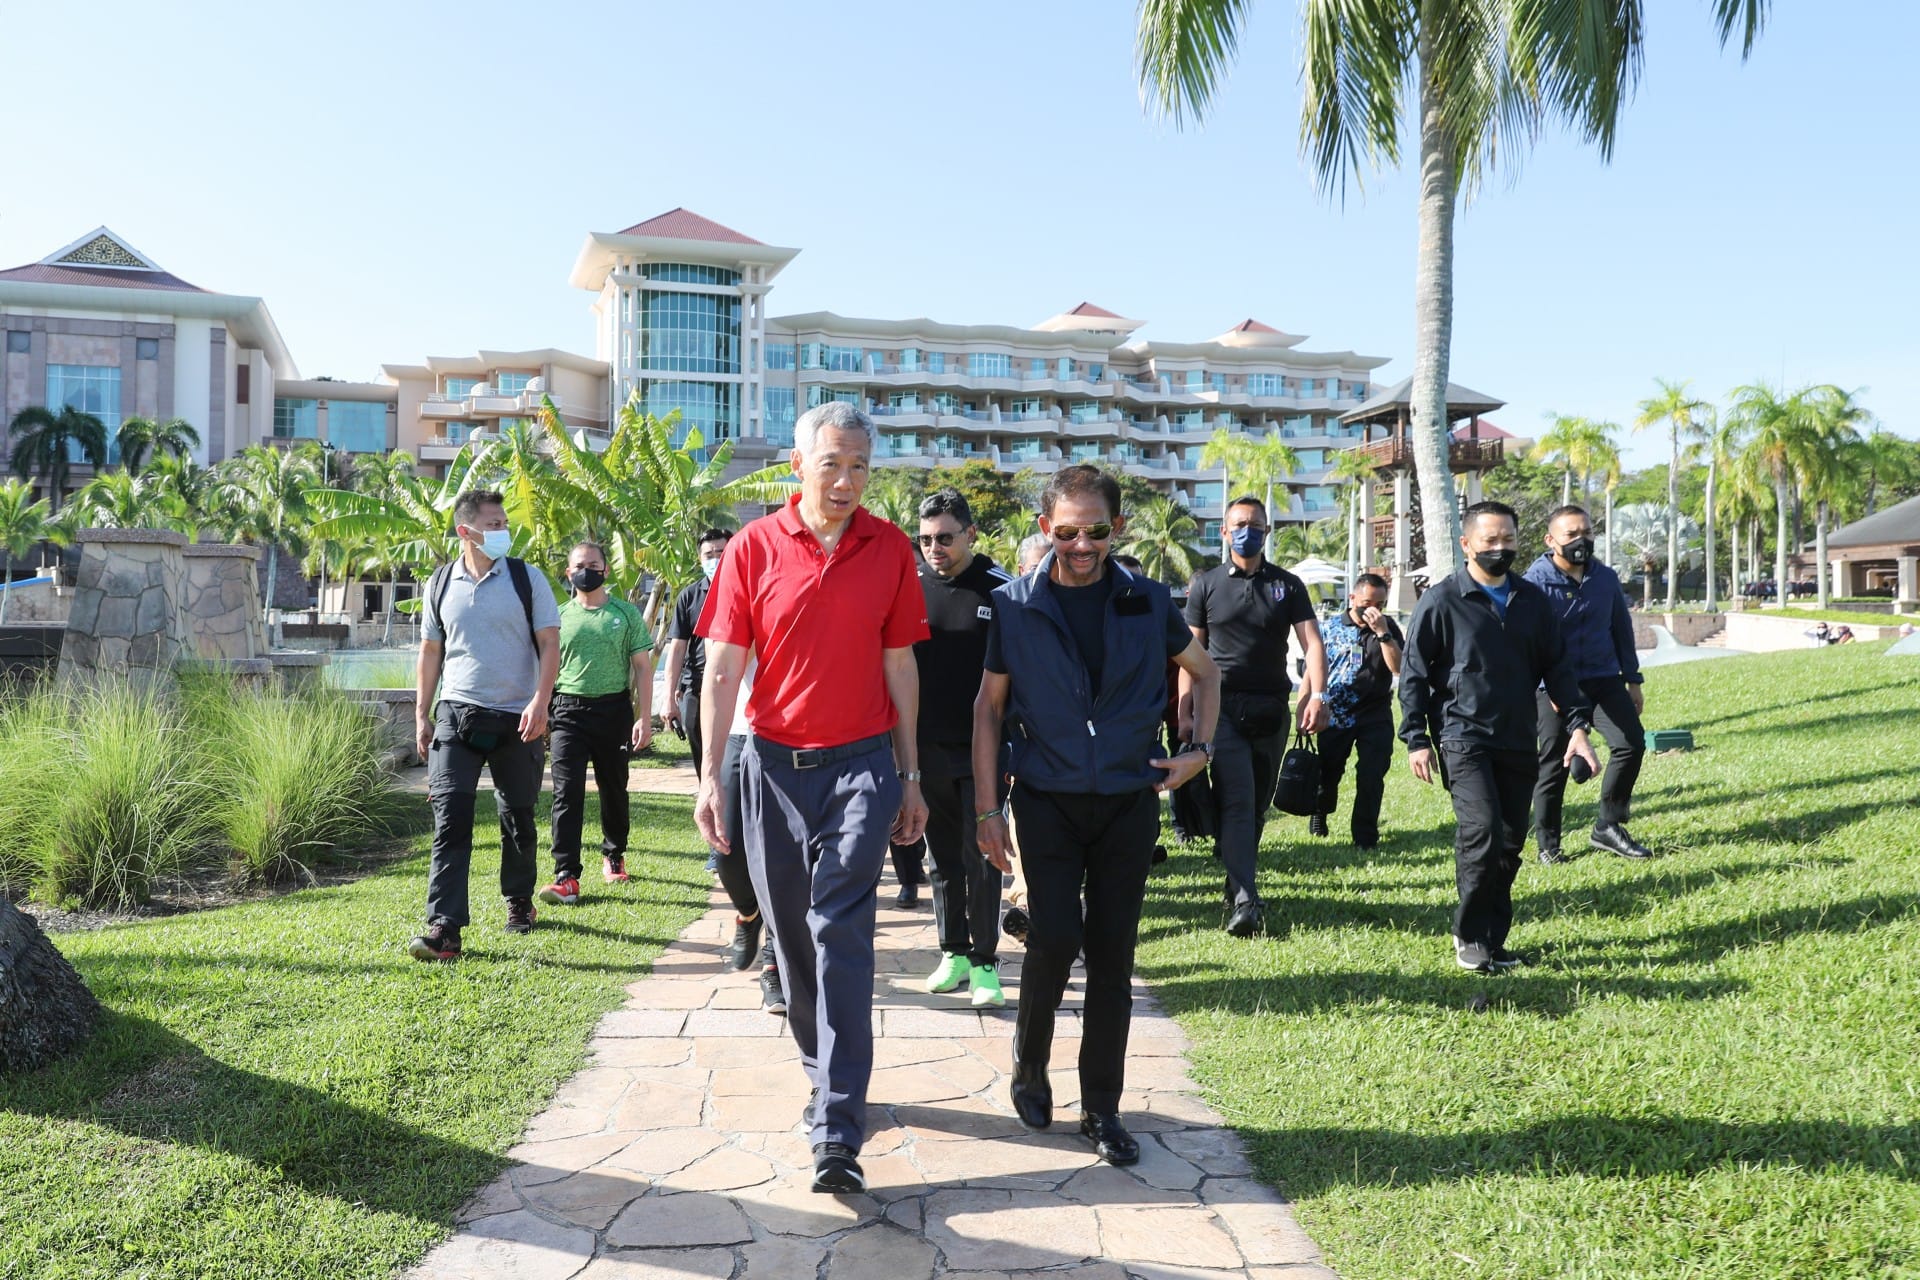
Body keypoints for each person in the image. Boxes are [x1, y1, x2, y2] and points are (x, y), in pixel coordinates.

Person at [694, 401, 929, 1195]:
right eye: (832, 464)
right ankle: (821, 1068)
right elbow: (723, 668)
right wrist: (709, 776)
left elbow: (901, 666)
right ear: (798, 466)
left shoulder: (889, 547)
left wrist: (910, 776)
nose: (846, 480)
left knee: (841, 929)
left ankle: (837, 1123)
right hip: (770, 767)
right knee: (792, 937)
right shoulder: (754, 546)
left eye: (860, 466)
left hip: (862, 765)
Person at [974, 465, 1221, 1167]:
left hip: (1127, 801)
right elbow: (988, 709)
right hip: (1046, 799)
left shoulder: (1149, 600)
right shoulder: (1014, 604)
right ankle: (1029, 1063)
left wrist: (1198, 752)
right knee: (1053, 937)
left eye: (1096, 530)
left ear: (1118, 528)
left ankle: (1101, 1108)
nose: (1081, 544)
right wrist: (988, 808)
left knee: (1113, 956)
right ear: (1045, 528)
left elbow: (1205, 673)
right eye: (1066, 531)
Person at [1400, 501, 1599, 974]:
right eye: (1490, 540)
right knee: (1482, 831)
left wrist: (1578, 727)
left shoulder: (1533, 602)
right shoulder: (1442, 601)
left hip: (1517, 736)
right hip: (1462, 736)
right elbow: (1414, 674)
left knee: (1509, 843)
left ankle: (1492, 938)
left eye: (1508, 539)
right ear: (1467, 544)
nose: (1500, 548)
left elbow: (1558, 669)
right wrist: (1416, 738)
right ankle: (1469, 934)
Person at [409, 490, 561, 962]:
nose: (504, 531)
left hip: (518, 717)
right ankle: (445, 927)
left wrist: (541, 701)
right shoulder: (440, 583)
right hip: (456, 714)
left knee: (517, 815)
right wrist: (421, 711)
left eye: (504, 523)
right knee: (450, 817)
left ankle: (519, 900)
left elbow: (549, 643)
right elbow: (431, 651)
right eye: (494, 524)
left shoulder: (526, 578)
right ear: (466, 530)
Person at [1181, 496, 1327, 937]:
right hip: (1221, 708)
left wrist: (1316, 694)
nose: (1248, 531)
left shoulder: (1288, 585)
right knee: (1239, 799)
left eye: (1256, 525)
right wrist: (1185, 710)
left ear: (1267, 531)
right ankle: (1247, 899)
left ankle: (1235, 880)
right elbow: (1190, 653)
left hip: (1271, 709)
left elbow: (1313, 643)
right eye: (1240, 524)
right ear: (1225, 531)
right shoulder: (1206, 585)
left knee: (1258, 804)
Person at [911, 489, 1014, 1008]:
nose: (935, 548)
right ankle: (952, 951)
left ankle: (985, 963)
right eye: (926, 539)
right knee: (942, 857)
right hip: (927, 746)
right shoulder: (909, 587)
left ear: (970, 534)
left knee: (983, 855)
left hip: (984, 750)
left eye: (945, 538)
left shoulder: (1002, 590)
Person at [1524, 506, 1653, 863]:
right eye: (1571, 535)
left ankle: (1608, 826)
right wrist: (1547, 687)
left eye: (1587, 533)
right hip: (1554, 683)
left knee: (1630, 744)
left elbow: (1621, 631)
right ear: (1551, 540)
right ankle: (1548, 845)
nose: (1580, 541)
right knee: (1553, 763)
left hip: (1603, 678)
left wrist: (1633, 680)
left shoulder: (1605, 578)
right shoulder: (1534, 583)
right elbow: (1528, 644)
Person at [539, 542, 654, 907]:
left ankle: (614, 854)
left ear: (605, 570)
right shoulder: (558, 617)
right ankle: (566, 874)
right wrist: (540, 708)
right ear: (568, 572)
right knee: (566, 792)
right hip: (567, 712)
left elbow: (642, 668)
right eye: (578, 565)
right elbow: (545, 669)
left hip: (613, 710)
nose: (585, 571)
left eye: (593, 564)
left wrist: (644, 717)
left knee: (614, 788)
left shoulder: (626, 614)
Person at [1313, 572, 1402, 848]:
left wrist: (1383, 634)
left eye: (1379, 604)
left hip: (1375, 713)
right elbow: (1313, 670)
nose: (1373, 610)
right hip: (1337, 713)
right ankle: (1320, 812)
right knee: (1329, 773)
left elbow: (1399, 668)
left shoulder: (1388, 627)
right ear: (1352, 598)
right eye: (1367, 603)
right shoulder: (1329, 628)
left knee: (1371, 775)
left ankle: (1364, 836)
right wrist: (1312, 702)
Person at [714, 660, 782, 1009]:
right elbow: (718, 671)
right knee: (726, 849)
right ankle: (748, 913)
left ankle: (774, 963)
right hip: (739, 728)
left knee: (781, 858)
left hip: (790, 735)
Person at [664, 528, 731, 873]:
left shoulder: (748, 588)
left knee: (736, 769)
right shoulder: (690, 596)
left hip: (738, 694)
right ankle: (716, 846)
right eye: (709, 554)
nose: (716, 558)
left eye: (722, 551)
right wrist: (668, 698)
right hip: (697, 692)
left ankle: (743, 840)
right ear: (699, 558)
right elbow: (676, 650)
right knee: (707, 770)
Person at [998, 531, 1052, 945]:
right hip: (1023, 749)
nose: (1046, 575)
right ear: (1020, 571)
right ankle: (1028, 907)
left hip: (1078, 753)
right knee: (1023, 830)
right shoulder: (1008, 613)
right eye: (1036, 568)